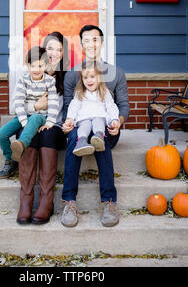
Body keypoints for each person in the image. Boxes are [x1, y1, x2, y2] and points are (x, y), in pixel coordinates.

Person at [61, 24, 129, 228]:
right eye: (86, 40)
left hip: (106, 126)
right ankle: (70, 202)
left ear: (102, 42)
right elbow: (68, 107)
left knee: (103, 137)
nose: (91, 44)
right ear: (81, 45)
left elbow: (123, 105)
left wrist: (118, 123)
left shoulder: (116, 73)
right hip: (80, 127)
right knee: (74, 138)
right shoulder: (73, 75)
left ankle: (109, 202)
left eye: (95, 39)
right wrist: (67, 124)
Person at [16, 32, 70, 225]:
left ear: (64, 54)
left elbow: (68, 110)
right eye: (50, 49)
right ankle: (26, 200)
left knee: (47, 135)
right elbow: (20, 105)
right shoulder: (33, 75)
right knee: (25, 134)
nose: (54, 53)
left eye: (59, 49)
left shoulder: (67, 78)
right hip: (32, 121)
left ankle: (46, 201)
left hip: (55, 126)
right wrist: (37, 107)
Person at [0, 46, 59, 167]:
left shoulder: (50, 81)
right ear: (28, 65)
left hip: (40, 116)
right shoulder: (23, 80)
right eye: (33, 66)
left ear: (46, 65)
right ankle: (11, 159)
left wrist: (49, 123)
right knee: (1, 134)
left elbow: (53, 104)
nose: (36, 69)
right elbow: (18, 103)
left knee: (35, 118)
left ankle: (21, 144)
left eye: (40, 66)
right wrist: (24, 122)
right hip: (24, 115)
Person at [64, 61, 120, 157]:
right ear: (82, 79)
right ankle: (81, 142)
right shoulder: (80, 93)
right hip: (84, 118)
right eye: (85, 78)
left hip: (99, 116)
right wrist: (70, 118)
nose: (89, 80)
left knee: (99, 121)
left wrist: (114, 119)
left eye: (92, 77)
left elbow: (111, 107)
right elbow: (74, 106)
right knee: (84, 125)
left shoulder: (104, 92)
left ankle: (98, 137)